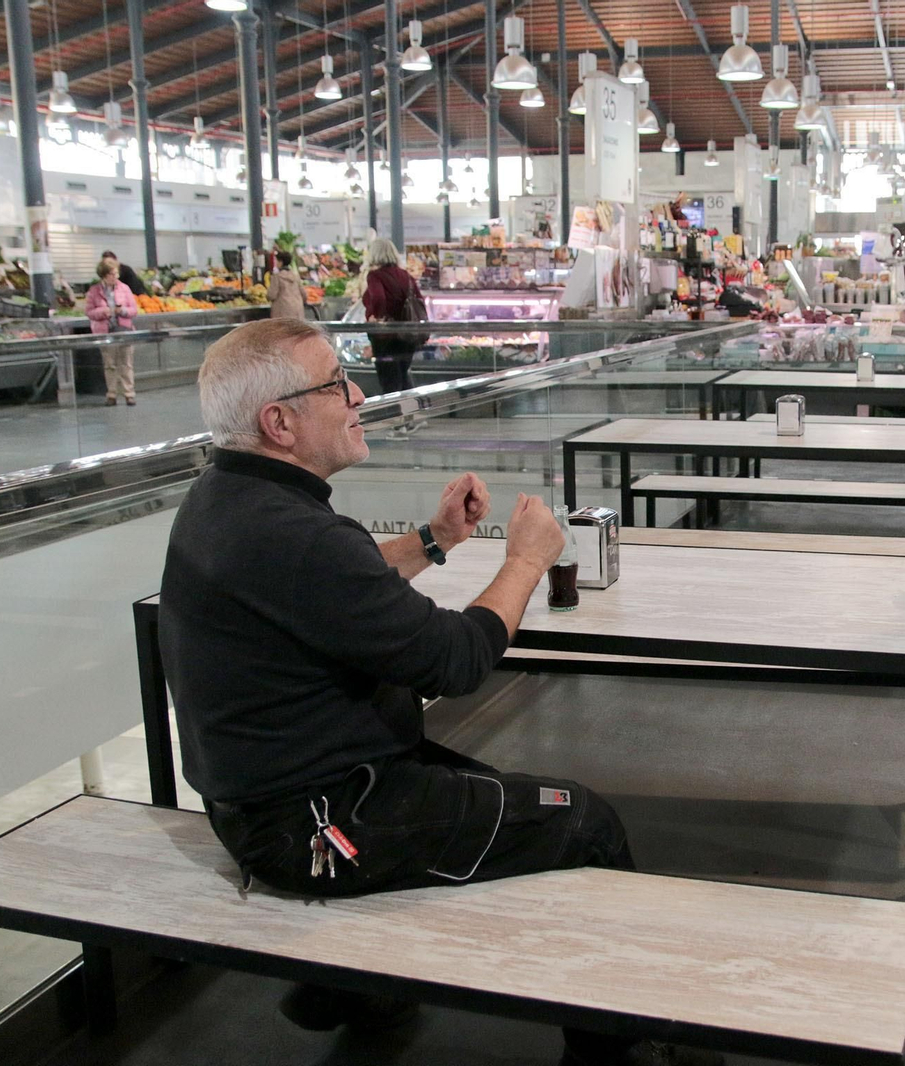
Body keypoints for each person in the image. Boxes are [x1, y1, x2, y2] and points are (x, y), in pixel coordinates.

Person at [160, 319, 711, 1066]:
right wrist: (526, 559)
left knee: (499, 799)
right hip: (320, 823)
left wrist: (436, 539)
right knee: (583, 823)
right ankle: (623, 1053)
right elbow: (455, 662)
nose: (357, 393)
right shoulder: (293, 534)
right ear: (279, 422)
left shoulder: (230, 499)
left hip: (274, 798)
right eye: (333, 383)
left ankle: (350, 987)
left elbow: (339, 589)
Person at [360, 237, 426, 394]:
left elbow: (378, 297)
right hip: (407, 335)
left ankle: (394, 414)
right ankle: (410, 412)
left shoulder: (375, 276)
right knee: (403, 375)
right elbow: (419, 299)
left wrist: (376, 316)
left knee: (389, 380)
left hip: (385, 336)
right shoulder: (405, 275)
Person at [85, 259, 138, 406]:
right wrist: (105, 312)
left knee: (126, 363)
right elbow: (89, 312)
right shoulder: (94, 291)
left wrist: (123, 311)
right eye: (112, 274)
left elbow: (134, 310)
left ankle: (129, 393)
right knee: (110, 364)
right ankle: (112, 394)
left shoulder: (125, 289)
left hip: (124, 331)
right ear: (104, 275)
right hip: (105, 333)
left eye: (116, 274)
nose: (115, 277)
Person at [266, 250, 307, 321]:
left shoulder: (277, 277)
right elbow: (303, 294)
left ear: (281, 262)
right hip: (297, 309)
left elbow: (272, 295)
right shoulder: (295, 276)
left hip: (283, 310)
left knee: (284, 330)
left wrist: (267, 296)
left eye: (277, 261)